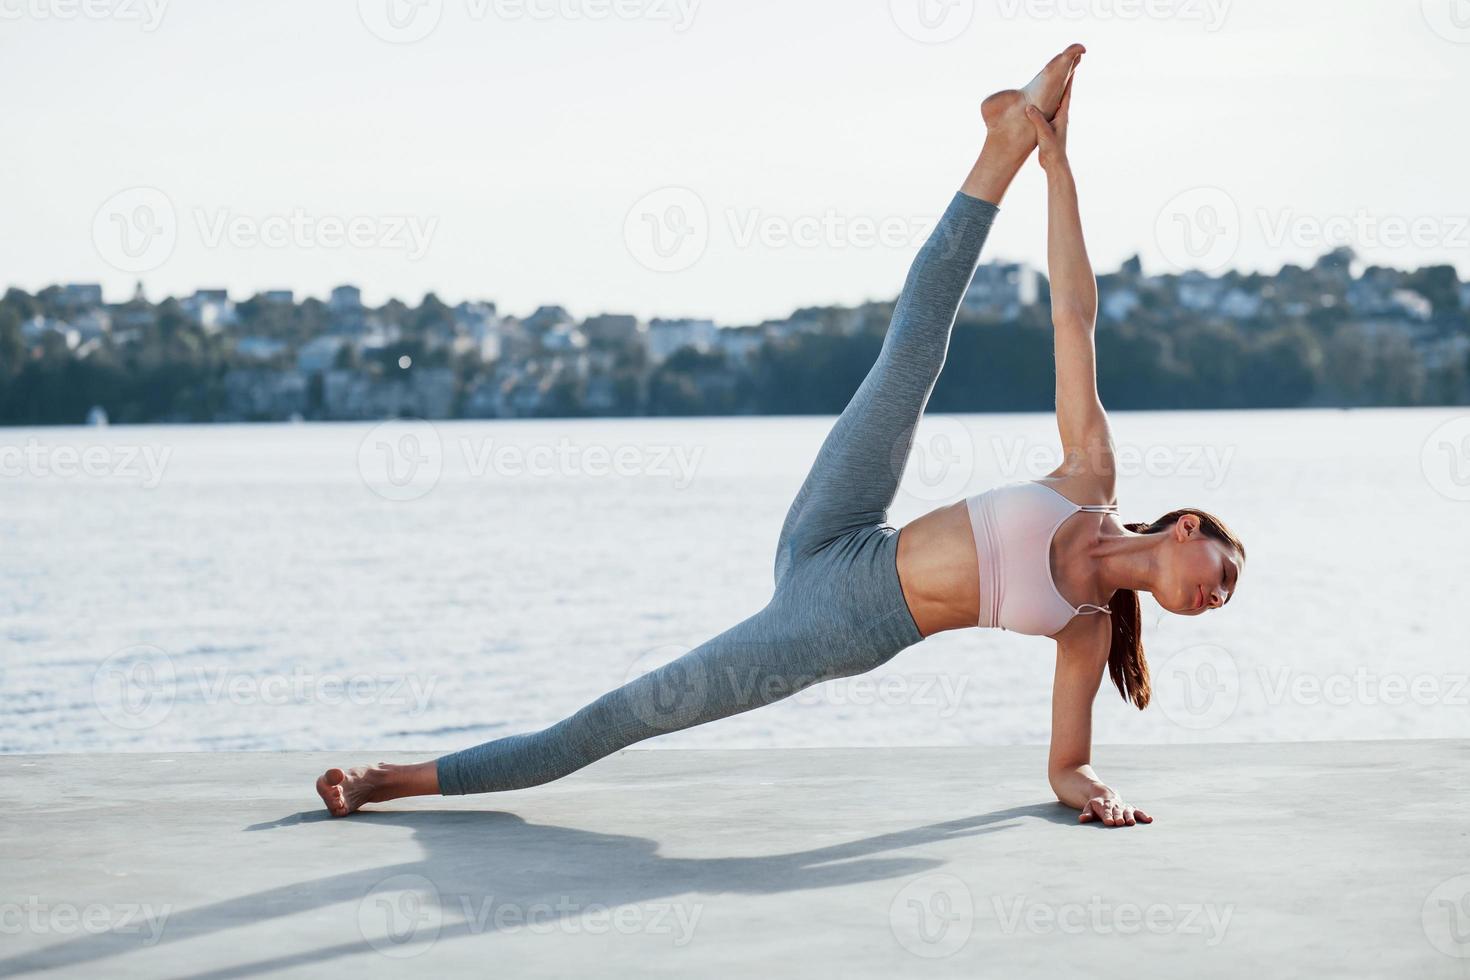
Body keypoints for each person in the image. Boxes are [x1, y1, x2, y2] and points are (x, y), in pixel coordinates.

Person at [318, 44, 1244, 828]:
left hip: (831, 624)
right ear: (1189, 529)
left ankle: (391, 780)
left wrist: (1096, 795)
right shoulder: (1090, 476)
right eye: (1224, 578)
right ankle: (1005, 147)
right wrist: (1060, 171)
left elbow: (1065, 767)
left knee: (624, 716)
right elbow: (1072, 318)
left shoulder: (1085, 631)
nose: (1219, 599)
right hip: (844, 526)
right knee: (912, 354)